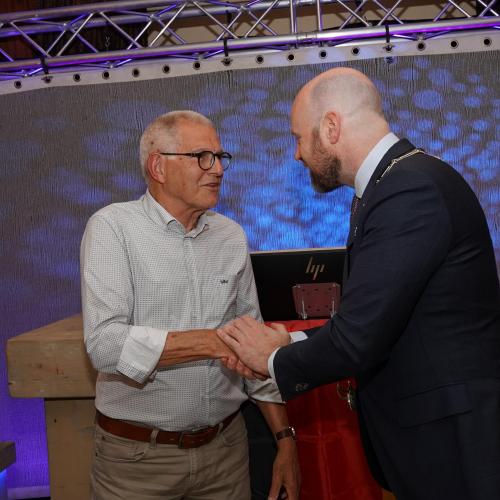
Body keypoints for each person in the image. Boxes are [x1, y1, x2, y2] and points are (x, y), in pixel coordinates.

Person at [218, 67, 500, 500]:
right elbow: (378, 318)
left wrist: (272, 358)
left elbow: (358, 339)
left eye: (298, 137)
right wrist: (290, 338)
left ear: (331, 126)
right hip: (438, 434)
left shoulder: (408, 189)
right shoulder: (393, 184)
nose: (297, 154)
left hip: (453, 439)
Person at [80, 110, 299, 500]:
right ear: (158, 167)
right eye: (202, 157)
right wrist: (214, 342)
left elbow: (253, 345)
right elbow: (105, 345)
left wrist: (285, 438)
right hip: (138, 462)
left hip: (226, 453)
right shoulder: (113, 228)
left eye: (220, 157)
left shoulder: (231, 236)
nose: (218, 169)